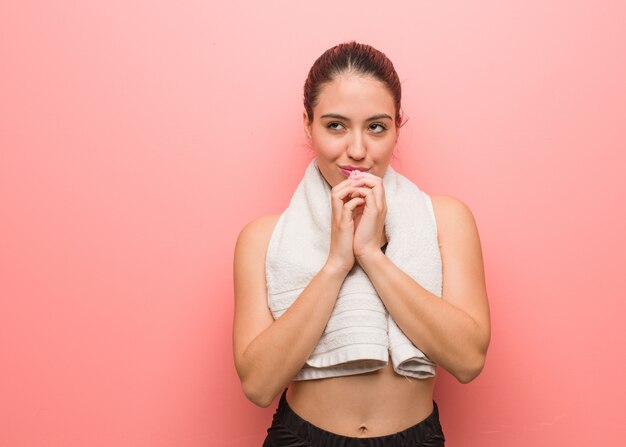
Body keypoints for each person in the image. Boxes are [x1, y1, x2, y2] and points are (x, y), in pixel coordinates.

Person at [233, 41, 490, 447]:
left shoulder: (445, 219)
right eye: (335, 125)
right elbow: (258, 386)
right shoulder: (262, 237)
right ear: (308, 124)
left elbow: (468, 360)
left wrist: (371, 255)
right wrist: (336, 262)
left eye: (376, 127)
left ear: (396, 127)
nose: (356, 150)